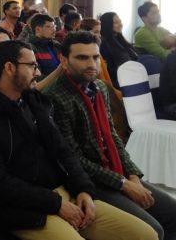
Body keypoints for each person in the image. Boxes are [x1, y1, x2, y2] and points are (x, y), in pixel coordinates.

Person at [0, 40, 158, 240]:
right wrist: (56, 204)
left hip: (63, 192)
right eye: (32, 66)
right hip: (24, 210)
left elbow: (65, 151)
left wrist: (83, 189)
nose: (38, 72)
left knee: (146, 235)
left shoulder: (33, 102)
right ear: (9, 68)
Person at [47, 31, 176, 240]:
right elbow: (73, 158)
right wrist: (123, 183)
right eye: (82, 57)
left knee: (172, 211)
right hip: (88, 180)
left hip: (114, 170)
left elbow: (112, 136)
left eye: (95, 57)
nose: (91, 64)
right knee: (153, 230)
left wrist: (132, 174)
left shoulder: (99, 88)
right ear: (64, 60)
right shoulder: (55, 97)